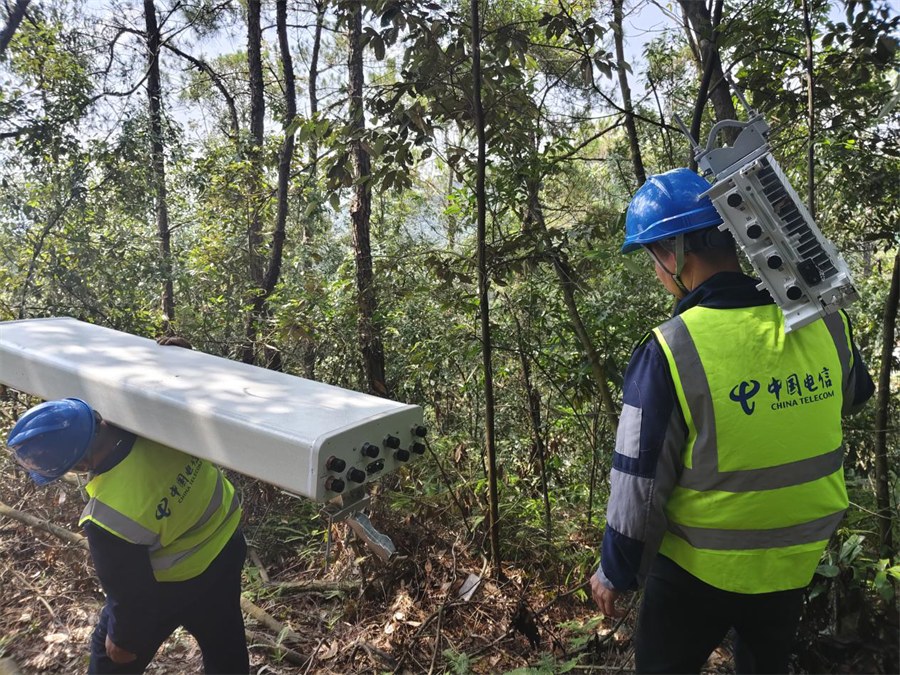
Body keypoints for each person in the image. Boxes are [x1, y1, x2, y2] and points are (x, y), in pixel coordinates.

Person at [590, 168, 875, 675]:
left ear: (675, 254)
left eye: (654, 256)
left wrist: (616, 571)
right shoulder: (826, 322)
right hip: (793, 563)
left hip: (697, 571)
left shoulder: (671, 348)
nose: (657, 271)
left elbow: (639, 481)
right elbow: (856, 395)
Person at [6, 343, 250, 675]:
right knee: (226, 647)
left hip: (172, 586)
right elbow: (191, 392)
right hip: (227, 548)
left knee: (109, 659)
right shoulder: (155, 420)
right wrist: (178, 361)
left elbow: (133, 595)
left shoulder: (107, 516)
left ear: (79, 464)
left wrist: (123, 639)